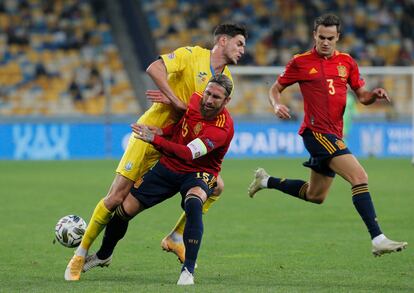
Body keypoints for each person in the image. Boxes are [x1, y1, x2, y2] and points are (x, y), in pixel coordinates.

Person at [64, 24, 246, 281]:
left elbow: (207, 119)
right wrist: (174, 99)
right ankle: (81, 254)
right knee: (116, 198)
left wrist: (182, 111)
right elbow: (154, 68)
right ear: (223, 41)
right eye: (239, 44)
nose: (242, 50)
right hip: (154, 131)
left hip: (181, 145)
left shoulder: (225, 80)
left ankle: (176, 237)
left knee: (216, 186)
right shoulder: (192, 55)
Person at [248, 14, 407, 257]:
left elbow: (362, 96)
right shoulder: (300, 62)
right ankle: (378, 238)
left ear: (337, 37)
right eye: (321, 37)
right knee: (359, 176)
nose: (325, 42)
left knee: (316, 195)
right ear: (314, 35)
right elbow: (275, 88)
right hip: (316, 133)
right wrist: (276, 105)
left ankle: (266, 181)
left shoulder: (347, 62)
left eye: (330, 38)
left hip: (334, 134)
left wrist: (373, 95)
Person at [78, 74, 234, 285]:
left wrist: (156, 139)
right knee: (124, 210)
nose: (208, 100)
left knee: (194, 203)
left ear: (226, 101)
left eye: (216, 97)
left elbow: (188, 153)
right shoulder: (195, 99)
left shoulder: (222, 128)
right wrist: (162, 131)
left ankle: (187, 271)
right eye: (208, 93)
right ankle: (104, 254)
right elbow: (182, 128)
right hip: (168, 166)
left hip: (199, 171)